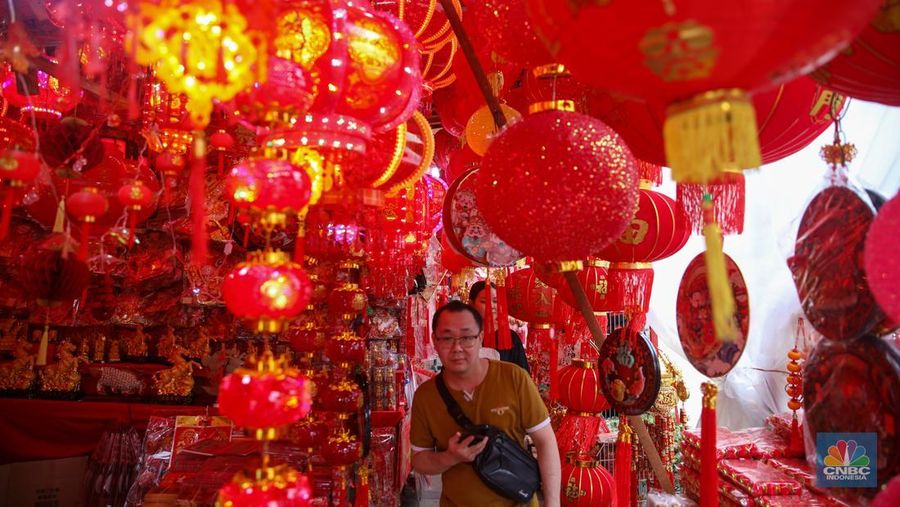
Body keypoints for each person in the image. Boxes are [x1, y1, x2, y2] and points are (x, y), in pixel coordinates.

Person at [410, 301, 561, 507]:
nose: (457, 348)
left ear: (480, 338)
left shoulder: (514, 378)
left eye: (467, 337)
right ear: (434, 341)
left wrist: (552, 503)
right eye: (447, 338)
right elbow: (419, 459)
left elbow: (545, 442)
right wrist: (450, 457)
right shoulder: (426, 396)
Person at [469, 281, 530, 372]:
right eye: (484, 302)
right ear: (471, 304)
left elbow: (523, 374)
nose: (491, 306)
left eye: (495, 301)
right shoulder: (465, 335)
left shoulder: (511, 337)